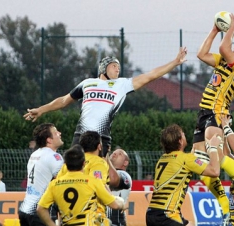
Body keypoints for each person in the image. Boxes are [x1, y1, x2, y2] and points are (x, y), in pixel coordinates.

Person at [24, 47, 188, 157]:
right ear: (104, 68)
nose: (118, 69)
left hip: (101, 137)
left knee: (98, 177)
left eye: (119, 67)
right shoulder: (87, 83)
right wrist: (41, 109)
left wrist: (174, 62)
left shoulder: (122, 84)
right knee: (70, 172)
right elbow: (64, 100)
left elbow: (151, 75)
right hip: (80, 136)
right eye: (114, 66)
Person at [192, 13, 234, 226]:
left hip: (217, 111)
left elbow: (223, 49)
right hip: (204, 112)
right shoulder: (227, 60)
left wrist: (230, 30)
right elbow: (201, 54)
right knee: (201, 165)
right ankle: (224, 208)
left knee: (218, 158)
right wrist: (214, 30)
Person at [146, 124, 222, 226]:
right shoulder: (185, 159)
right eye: (183, 134)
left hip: (152, 214)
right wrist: (213, 148)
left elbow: (186, 161)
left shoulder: (163, 158)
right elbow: (215, 171)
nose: (185, 135)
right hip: (167, 214)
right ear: (180, 141)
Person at [37, 144, 126, 226]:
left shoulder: (55, 184)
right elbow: (114, 204)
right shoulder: (92, 182)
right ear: (83, 163)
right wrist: (122, 202)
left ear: (66, 164)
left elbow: (40, 208)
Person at [18, 123, 64, 226]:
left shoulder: (35, 154)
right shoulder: (54, 157)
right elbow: (64, 183)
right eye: (56, 132)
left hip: (25, 208)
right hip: (41, 210)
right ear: (49, 140)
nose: (60, 133)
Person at [107, 148, 132, 226]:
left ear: (125, 163)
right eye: (114, 152)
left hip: (114, 223)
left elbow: (112, 180)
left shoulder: (124, 176)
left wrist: (105, 157)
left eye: (120, 154)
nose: (115, 154)